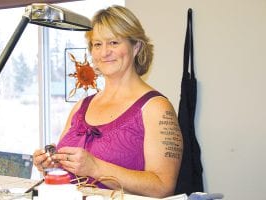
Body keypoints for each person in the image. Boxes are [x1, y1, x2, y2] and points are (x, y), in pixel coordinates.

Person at [33, 5, 183, 198]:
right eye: (97, 44)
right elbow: (72, 173)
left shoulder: (156, 108)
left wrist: (96, 168)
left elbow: (164, 186)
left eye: (113, 42)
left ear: (136, 46)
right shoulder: (82, 106)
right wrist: (53, 164)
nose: (104, 53)